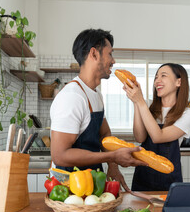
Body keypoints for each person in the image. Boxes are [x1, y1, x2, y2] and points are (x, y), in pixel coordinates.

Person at [50, 28, 147, 184]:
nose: (113, 61)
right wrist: (112, 156)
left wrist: (113, 166)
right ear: (94, 54)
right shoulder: (72, 97)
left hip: (92, 181)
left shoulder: (96, 94)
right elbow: (60, 155)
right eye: (110, 54)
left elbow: (104, 134)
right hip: (69, 187)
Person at [123, 63, 190, 191]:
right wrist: (137, 102)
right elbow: (140, 136)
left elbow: (158, 136)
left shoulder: (188, 113)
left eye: (163, 76)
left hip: (168, 179)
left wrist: (140, 102)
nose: (157, 80)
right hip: (143, 176)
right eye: (156, 77)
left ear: (178, 82)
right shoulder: (147, 106)